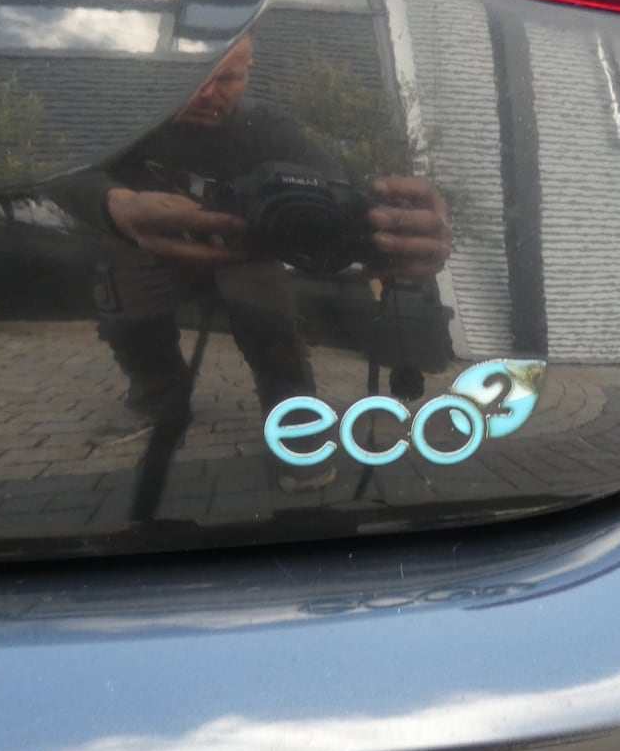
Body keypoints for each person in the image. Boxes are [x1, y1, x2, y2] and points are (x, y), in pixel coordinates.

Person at [52, 33, 451, 488]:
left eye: (227, 78)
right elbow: (63, 168)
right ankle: (157, 395)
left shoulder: (267, 127)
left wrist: (377, 228)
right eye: (194, 77)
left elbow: (331, 187)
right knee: (126, 318)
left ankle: (294, 420)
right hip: (150, 244)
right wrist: (115, 205)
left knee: (271, 325)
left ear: (248, 72)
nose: (208, 93)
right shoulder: (129, 117)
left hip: (244, 248)